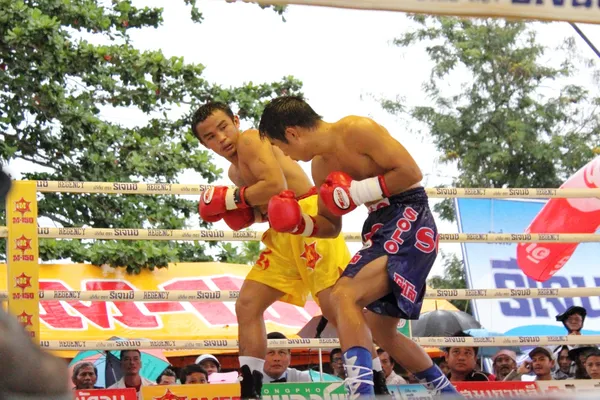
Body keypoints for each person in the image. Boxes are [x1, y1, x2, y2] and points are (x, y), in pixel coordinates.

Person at [258, 96, 459, 397]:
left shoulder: (357, 130)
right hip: (379, 226)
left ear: (292, 133)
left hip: (410, 217)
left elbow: (410, 172)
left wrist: (356, 191)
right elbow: (331, 225)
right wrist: (301, 224)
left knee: (344, 295)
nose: (287, 156)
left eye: (282, 148)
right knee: (382, 331)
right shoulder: (321, 167)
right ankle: (447, 394)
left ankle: (361, 391)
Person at [190, 102, 352, 397]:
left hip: (308, 218)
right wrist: (244, 214)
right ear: (205, 144)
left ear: (236, 121)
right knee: (248, 304)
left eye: (223, 127)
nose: (221, 138)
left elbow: (274, 184)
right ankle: (251, 387)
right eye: (210, 137)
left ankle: (373, 378)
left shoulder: (252, 138)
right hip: (282, 230)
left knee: (335, 305)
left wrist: (228, 202)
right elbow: (267, 209)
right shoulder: (234, 173)